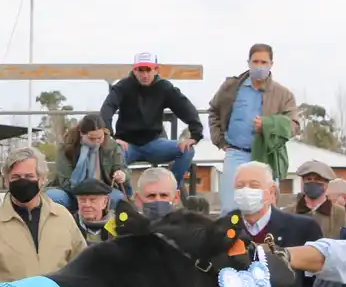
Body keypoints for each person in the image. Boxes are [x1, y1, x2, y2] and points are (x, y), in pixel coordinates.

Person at [0, 148, 84, 287]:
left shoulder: (63, 218)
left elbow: (83, 271)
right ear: (6, 181)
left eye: (29, 176)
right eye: (16, 177)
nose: (23, 182)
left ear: (42, 179)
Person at [207, 44, 300, 213]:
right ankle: (229, 239)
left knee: (267, 207)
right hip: (236, 153)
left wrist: (268, 125)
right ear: (248, 62)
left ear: (271, 64)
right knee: (230, 207)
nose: (259, 66)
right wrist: (219, 139)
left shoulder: (283, 94)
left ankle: (266, 240)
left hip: (267, 155)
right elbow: (213, 110)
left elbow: (294, 125)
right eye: (255, 61)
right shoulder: (232, 87)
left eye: (263, 62)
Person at [99, 53, 205, 190]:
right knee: (110, 157)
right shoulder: (123, 86)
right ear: (134, 70)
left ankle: (171, 190)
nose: (144, 74)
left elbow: (185, 107)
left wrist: (195, 135)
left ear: (156, 70)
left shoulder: (164, 87)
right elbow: (107, 109)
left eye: (148, 70)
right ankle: (127, 200)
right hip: (126, 145)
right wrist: (111, 138)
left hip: (154, 143)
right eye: (140, 70)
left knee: (187, 150)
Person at [49, 114, 127, 211]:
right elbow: (64, 181)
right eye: (92, 138)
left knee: (117, 197)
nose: (96, 142)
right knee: (53, 196)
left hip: (101, 192)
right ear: (82, 133)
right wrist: (85, 196)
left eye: (100, 137)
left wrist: (121, 174)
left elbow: (120, 167)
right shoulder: (66, 147)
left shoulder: (112, 146)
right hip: (72, 193)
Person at [291, 160, 346, 239]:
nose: (312, 182)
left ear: (326, 184)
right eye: (308, 179)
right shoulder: (289, 212)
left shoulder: (339, 213)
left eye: (318, 179)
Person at [70, 178, 116, 245]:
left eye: (92, 200)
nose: (87, 205)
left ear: (105, 202)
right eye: (82, 200)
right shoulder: (70, 224)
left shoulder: (118, 226)